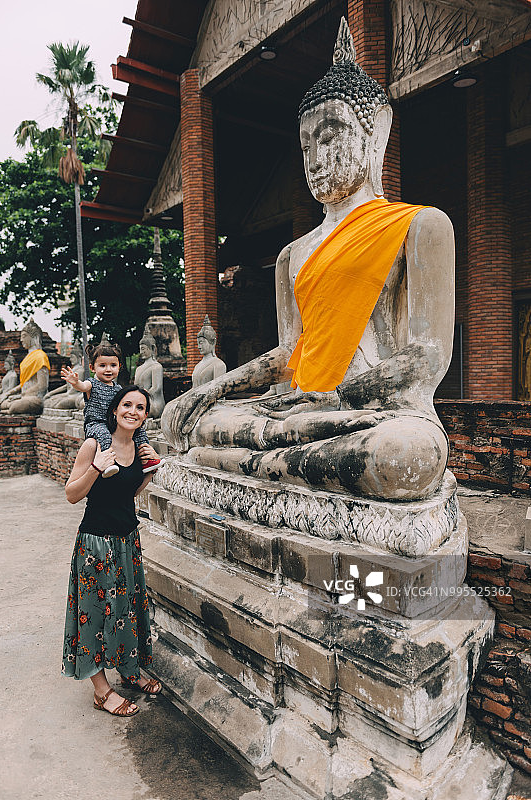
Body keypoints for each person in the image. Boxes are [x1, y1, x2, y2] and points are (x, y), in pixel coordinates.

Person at [161, 18, 454, 502]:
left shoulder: (420, 225)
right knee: (207, 425)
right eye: (305, 145)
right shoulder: (291, 255)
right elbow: (290, 353)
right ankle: (272, 454)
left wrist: (339, 398)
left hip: (375, 410)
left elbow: (428, 356)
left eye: (331, 134)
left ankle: (270, 461)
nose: (316, 157)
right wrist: (208, 391)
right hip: (300, 411)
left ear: (374, 134)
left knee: (404, 453)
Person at [62, 385, 162, 715]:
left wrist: (150, 471)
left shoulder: (138, 447)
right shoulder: (95, 444)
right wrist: (95, 466)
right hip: (95, 543)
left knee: (126, 610)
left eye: (141, 407)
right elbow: (72, 494)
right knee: (94, 614)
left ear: (146, 415)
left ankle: (129, 670)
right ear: (115, 411)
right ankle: (101, 691)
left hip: (126, 542)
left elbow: (128, 493)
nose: (133, 411)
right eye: (127, 405)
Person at [62, 339, 163, 478]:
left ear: (119, 367)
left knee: (140, 433)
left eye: (113, 365)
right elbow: (83, 387)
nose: (108, 369)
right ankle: (107, 464)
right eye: (102, 365)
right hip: (96, 423)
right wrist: (75, 383)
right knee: (104, 436)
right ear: (92, 368)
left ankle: (146, 460)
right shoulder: (92, 384)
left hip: (113, 422)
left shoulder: (118, 388)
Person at [0, 319, 49, 414]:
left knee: (15, 406)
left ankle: (8, 409)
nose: (21, 340)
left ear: (34, 337)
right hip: (24, 397)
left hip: (35, 398)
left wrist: (22, 395)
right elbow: (23, 384)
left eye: (24, 336)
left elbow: (42, 386)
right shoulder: (26, 359)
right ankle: (7, 407)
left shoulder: (40, 356)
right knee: (0, 400)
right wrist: (8, 393)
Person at [134, 329, 165, 419]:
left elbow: (156, 388)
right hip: (139, 400)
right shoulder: (138, 369)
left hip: (152, 402)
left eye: (143, 349)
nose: (141, 352)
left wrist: (142, 396)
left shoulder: (156, 367)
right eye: (140, 349)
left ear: (152, 348)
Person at [44, 344, 85, 409]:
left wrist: (59, 396)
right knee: (47, 402)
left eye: (72, 357)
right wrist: (51, 393)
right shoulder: (73, 370)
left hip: (74, 395)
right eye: (70, 357)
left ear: (79, 358)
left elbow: (73, 390)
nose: (71, 359)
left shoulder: (80, 371)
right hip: (68, 394)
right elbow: (66, 386)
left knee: (59, 405)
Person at [191, 315, 227, 388]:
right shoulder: (197, 366)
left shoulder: (218, 365)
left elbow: (218, 390)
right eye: (198, 343)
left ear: (213, 342)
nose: (199, 347)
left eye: (201, 343)